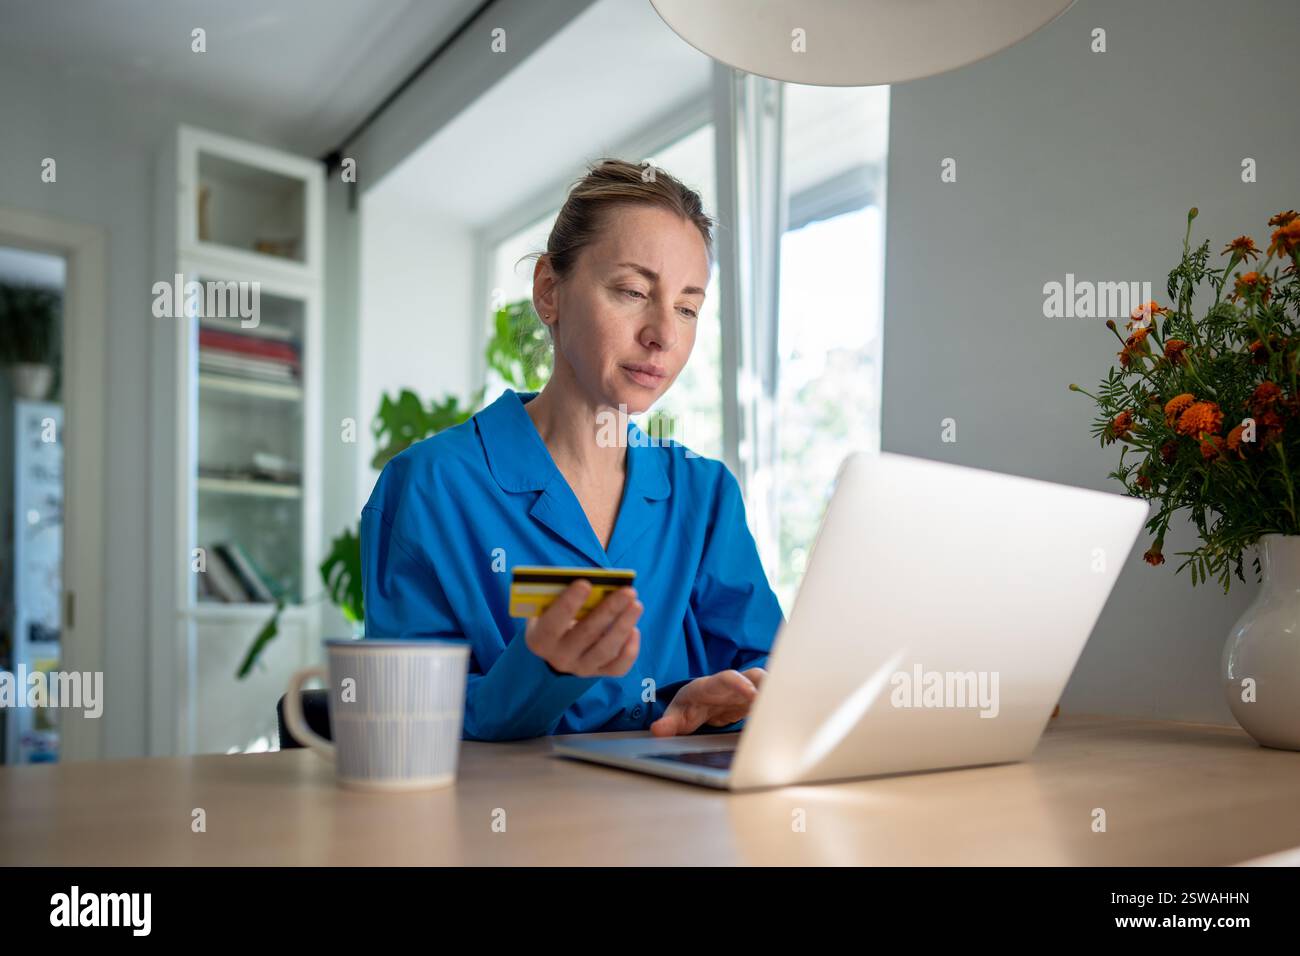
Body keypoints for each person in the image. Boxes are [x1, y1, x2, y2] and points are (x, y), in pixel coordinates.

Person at [360, 158, 783, 742]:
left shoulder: (704, 495)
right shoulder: (430, 486)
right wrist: (539, 670)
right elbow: (400, 722)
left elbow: (770, 679)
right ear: (549, 291)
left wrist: (707, 702)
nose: (664, 333)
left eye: (687, 307)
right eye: (634, 291)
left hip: (676, 826)